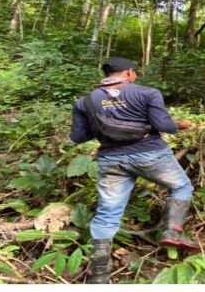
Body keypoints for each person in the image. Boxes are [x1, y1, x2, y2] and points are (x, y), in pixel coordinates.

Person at [70, 58, 197, 284]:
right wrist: (180, 125)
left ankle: (99, 272)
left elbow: (78, 137)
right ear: (129, 73)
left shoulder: (84, 102)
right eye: (134, 72)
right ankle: (172, 231)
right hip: (150, 154)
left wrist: (105, 124)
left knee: (108, 212)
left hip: (111, 159)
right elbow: (165, 126)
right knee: (181, 186)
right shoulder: (147, 93)